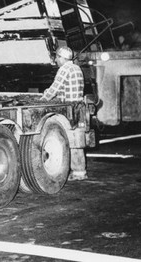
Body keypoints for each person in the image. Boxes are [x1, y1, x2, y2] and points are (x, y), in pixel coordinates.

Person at [41, 46, 87, 181]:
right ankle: (80, 171)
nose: (56, 60)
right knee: (77, 139)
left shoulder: (65, 69)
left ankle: (75, 172)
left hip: (70, 108)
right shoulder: (77, 68)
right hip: (78, 106)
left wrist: (42, 100)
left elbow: (54, 88)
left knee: (69, 140)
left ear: (62, 58)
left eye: (57, 57)